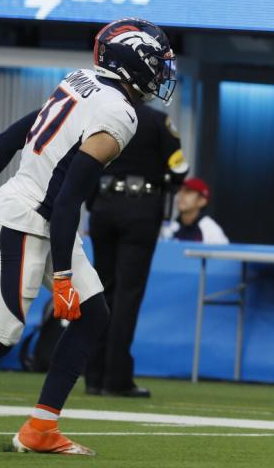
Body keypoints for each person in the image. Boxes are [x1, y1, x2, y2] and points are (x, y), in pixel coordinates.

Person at [0, 18, 176, 455]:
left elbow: (14, 136)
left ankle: (40, 429)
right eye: (156, 63)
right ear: (134, 61)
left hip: (41, 214)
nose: (162, 73)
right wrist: (61, 277)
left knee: (93, 315)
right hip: (28, 218)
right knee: (1, 335)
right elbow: (68, 199)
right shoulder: (120, 112)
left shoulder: (83, 80)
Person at [85, 100, 189, 398]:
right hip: (140, 209)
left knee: (101, 290)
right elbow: (180, 168)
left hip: (103, 206)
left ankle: (93, 376)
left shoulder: (102, 114)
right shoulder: (158, 120)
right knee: (127, 295)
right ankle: (116, 379)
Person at [162, 178, 229, 244]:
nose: (181, 195)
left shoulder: (209, 228)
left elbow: (224, 253)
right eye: (180, 191)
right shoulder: (170, 227)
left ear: (202, 201)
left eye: (188, 192)